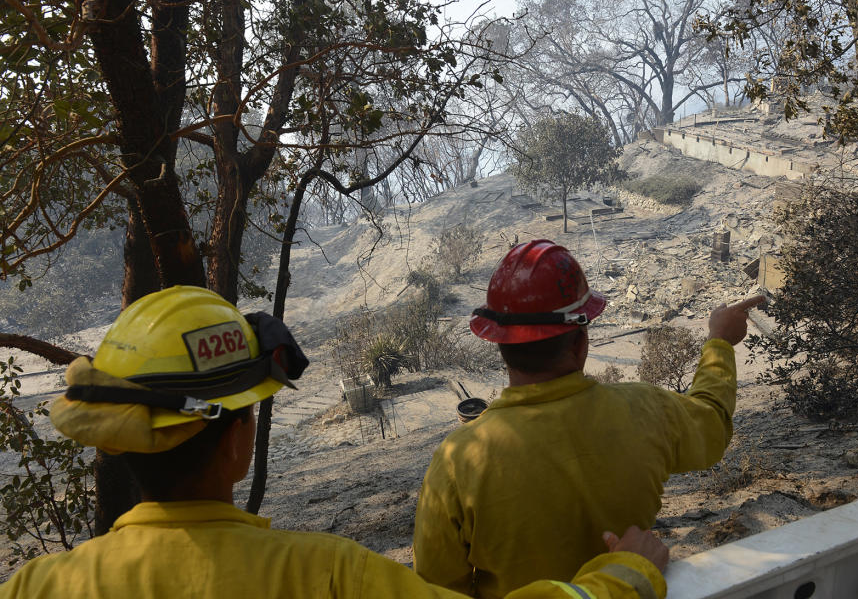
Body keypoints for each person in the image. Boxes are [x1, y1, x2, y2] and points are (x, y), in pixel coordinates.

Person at [0, 285, 669, 599]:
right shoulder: (328, 576)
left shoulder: (34, 587)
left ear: (116, 443)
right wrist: (623, 576)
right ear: (240, 440)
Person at [413, 240, 765, 598]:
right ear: (581, 342)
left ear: (501, 346)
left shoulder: (457, 460)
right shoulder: (648, 410)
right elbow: (711, 424)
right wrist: (719, 341)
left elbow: (435, 588)